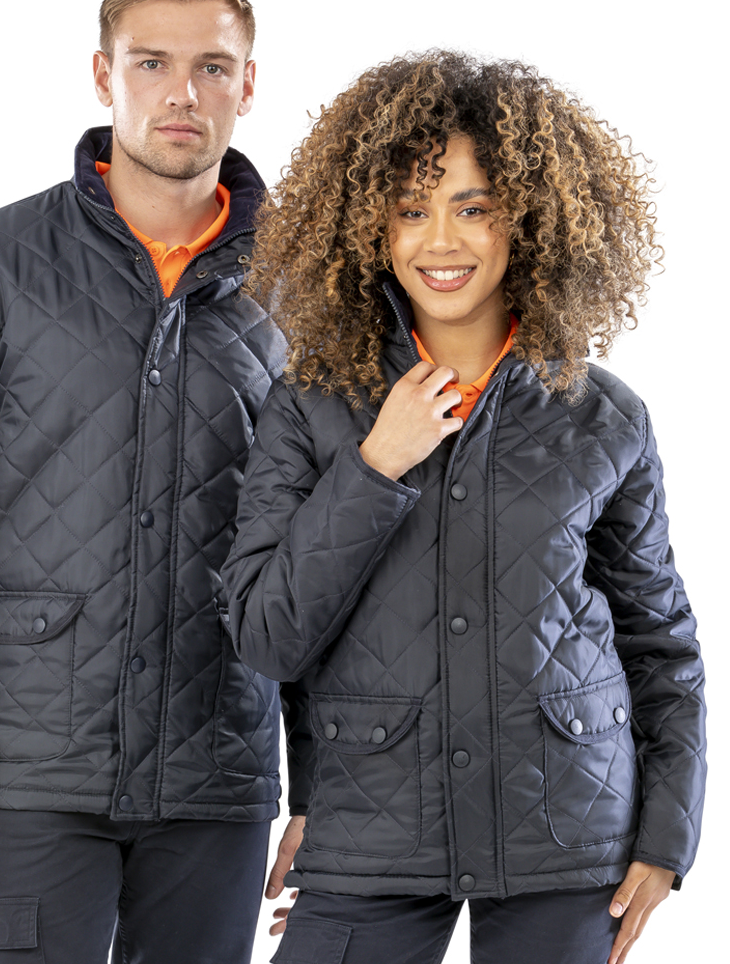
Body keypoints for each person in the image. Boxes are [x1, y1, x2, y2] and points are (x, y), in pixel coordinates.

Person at [222, 51, 706, 964]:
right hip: (373, 830)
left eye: (473, 208)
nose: (439, 241)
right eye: (411, 210)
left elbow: (659, 644)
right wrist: (376, 465)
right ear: (369, 227)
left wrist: (667, 837)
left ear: (528, 219)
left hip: (568, 830)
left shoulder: (603, 415)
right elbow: (268, 636)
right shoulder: (312, 403)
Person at [0, 0, 291, 964]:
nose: (182, 94)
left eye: (212, 67)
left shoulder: (304, 285)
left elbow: (331, 550)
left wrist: (326, 787)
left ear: (247, 84)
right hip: (30, 768)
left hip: (219, 761)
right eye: (151, 63)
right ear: (104, 75)